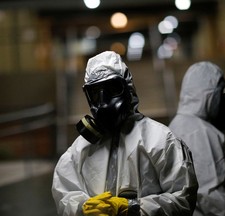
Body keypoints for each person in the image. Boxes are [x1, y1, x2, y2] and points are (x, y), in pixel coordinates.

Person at [51, 51, 198, 216]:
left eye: (112, 89)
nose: (103, 101)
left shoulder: (160, 140)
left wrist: (133, 208)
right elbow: (64, 195)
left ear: (128, 88)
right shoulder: (80, 149)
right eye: (95, 93)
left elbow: (183, 200)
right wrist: (83, 208)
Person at [169, 61, 225, 216]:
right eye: (222, 92)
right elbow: (210, 193)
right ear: (207, 95)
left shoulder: (180, 125)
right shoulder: (196, 131)